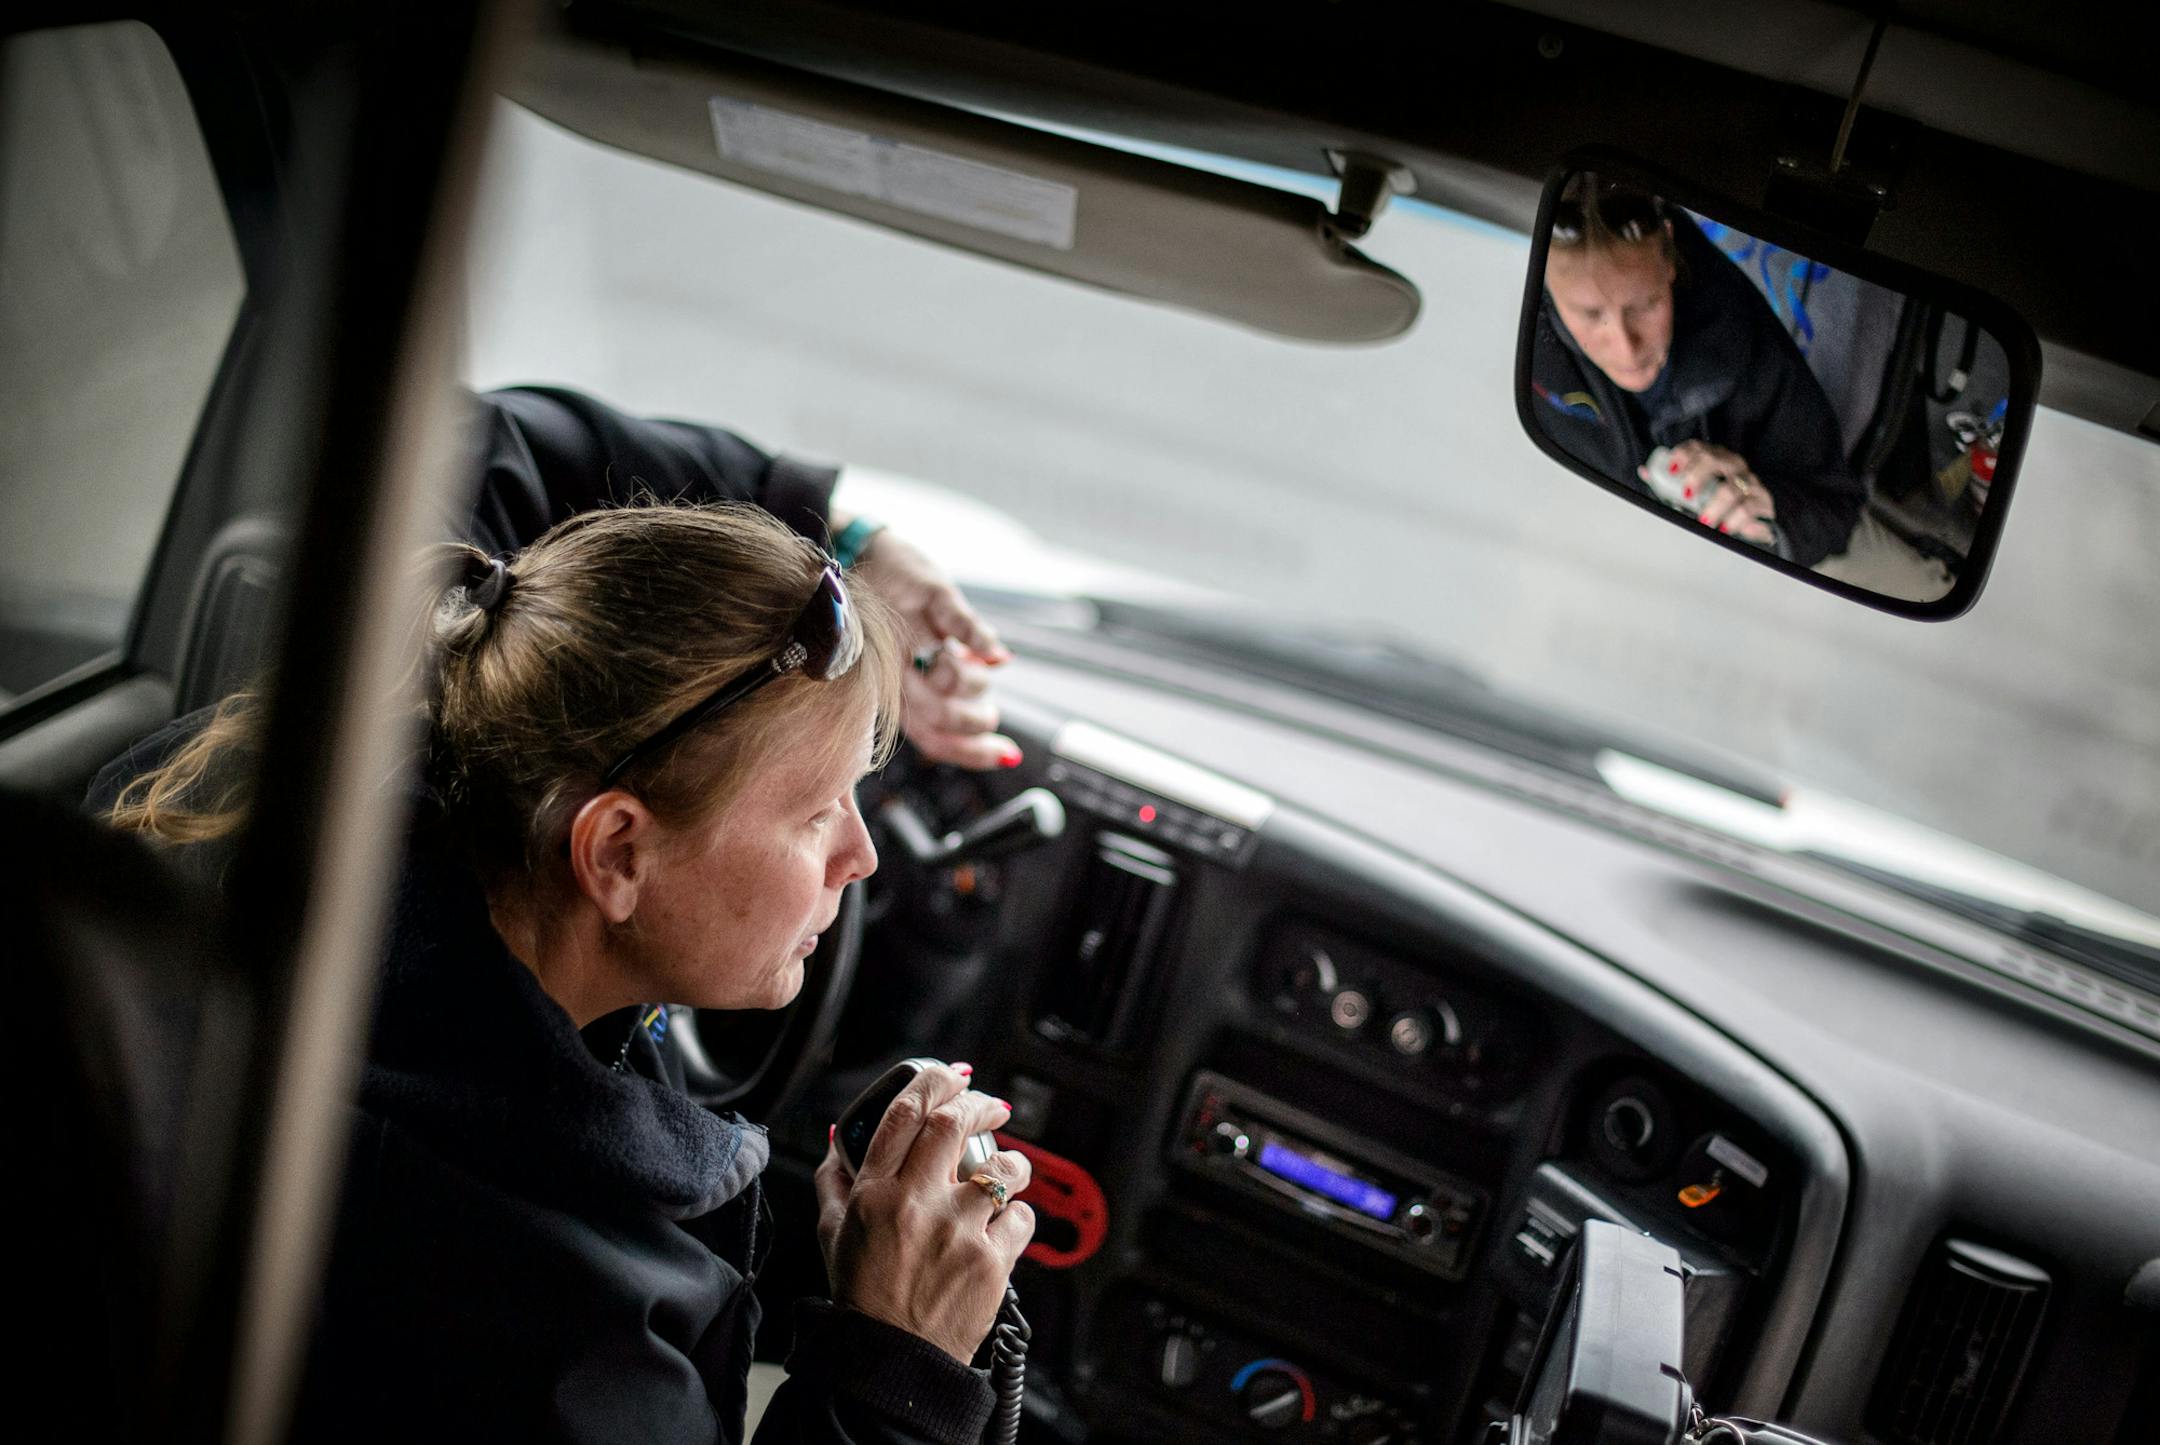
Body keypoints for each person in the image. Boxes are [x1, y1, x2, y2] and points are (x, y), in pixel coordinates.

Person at [110, 501, 1037, 1442]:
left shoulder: (307, 818)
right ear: (618, 853)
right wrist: (896, 1369)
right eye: (813, 813)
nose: (863, 855)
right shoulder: (550, 1335)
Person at [1528, 176, 1867, 568]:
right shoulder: (1527, 335)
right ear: (1544, 281)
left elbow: (1838, 511)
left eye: (1645, 305)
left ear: (1669, 257)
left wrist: (1762, 503)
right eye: (1589, 315)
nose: (1626, 347)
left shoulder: (1752, 349)